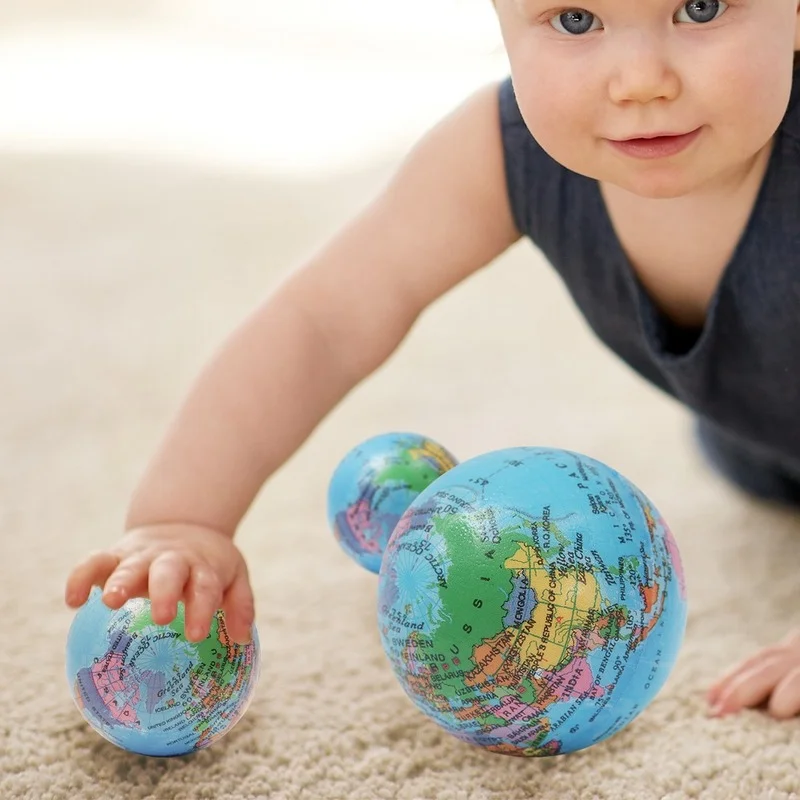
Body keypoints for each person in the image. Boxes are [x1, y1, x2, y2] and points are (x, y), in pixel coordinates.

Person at [65, 1, 800, 720]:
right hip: (755, 441)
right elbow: (324, 321)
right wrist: (181, 519)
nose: (641, 79)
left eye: (701, 8)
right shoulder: (499, 149)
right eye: (576, 19)